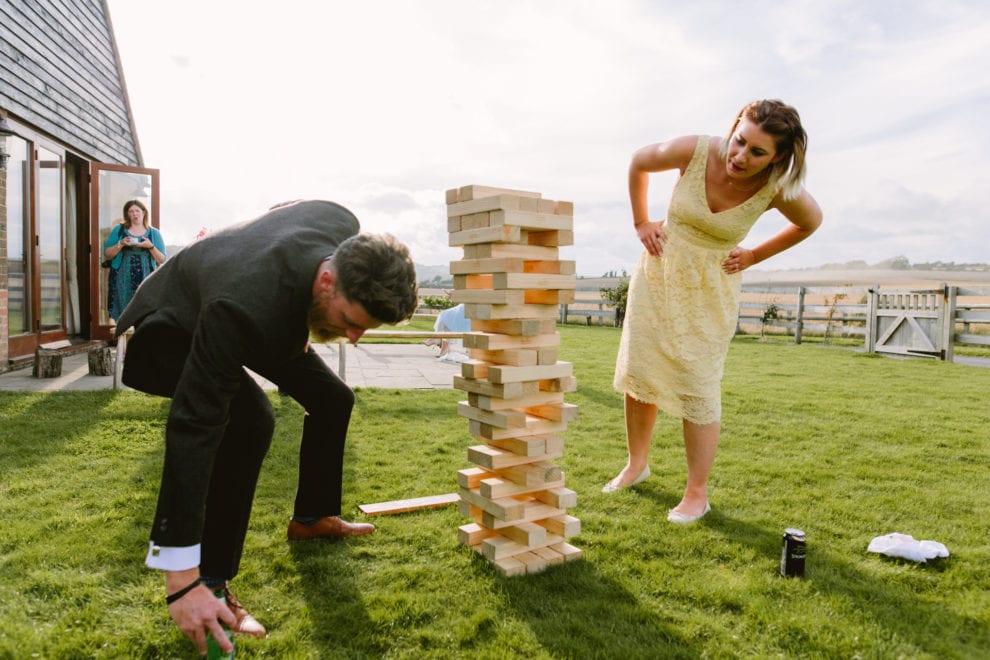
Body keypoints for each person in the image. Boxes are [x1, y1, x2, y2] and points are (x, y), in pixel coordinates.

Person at [114, 200, 418, 654]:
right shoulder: (242, 306)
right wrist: (179, 578)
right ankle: (211, 584)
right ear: (327, 279)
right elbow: (193, 425)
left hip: (264, 301)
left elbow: (282, 214)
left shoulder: (337, 220)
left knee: (333, 398)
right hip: (169, 328)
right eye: (352, 323)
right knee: (250, 420)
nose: (355, 339)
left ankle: (312, 518)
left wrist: (300, 323)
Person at [604, 99, 823, 525]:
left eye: (757, 152)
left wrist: (755, 255)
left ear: (778, 157)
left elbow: (810, 221)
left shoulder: (777, 188)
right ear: (734, 127)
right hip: (659, 274)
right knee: (641, 370)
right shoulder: (694, 150)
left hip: (710, 289)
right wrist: (640, 222)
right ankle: (636, 465)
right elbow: (638, 162)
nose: (741, 156)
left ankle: (696, 494)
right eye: (740, 141)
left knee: (698, 386)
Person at [102, 199, 166, 322]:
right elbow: (108, 254)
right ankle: (122, 338)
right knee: (122, 308)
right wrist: (120, 243)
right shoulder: (119, 230)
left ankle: (141, 337)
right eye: (131, 211)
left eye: (137, 211)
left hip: (146, 276)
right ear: (127, 214)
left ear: (143, 212)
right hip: (121, 276)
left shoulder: (154, 233)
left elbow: (162, 258)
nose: (134, 214)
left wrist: (150, 247)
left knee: (145, 307)